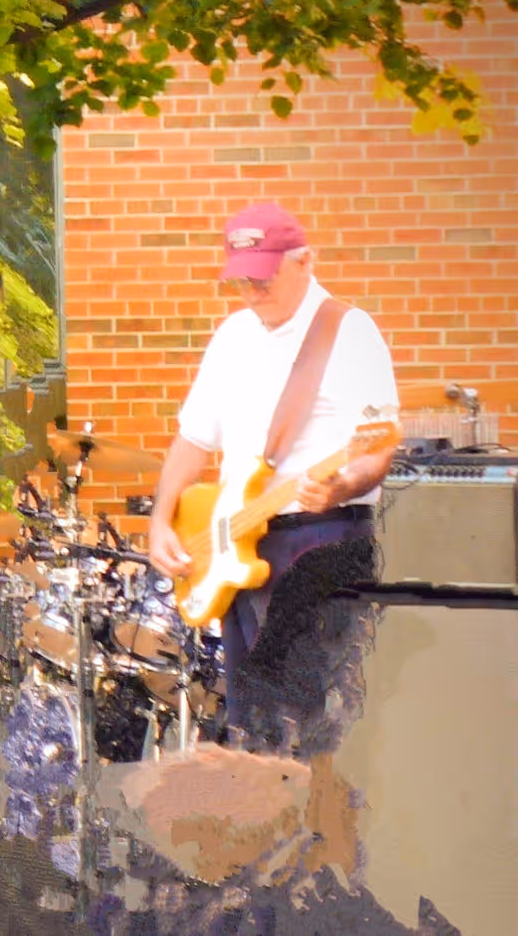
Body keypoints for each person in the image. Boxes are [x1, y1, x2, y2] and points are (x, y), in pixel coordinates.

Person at [145, 204, 398, 756]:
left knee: (310, 732)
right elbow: (193, 438)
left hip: (321, 542)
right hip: (238, 547)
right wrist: (162, 518)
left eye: (262, 277)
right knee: (251, 725)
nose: (251, 291)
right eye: (240, 279)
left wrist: (340, 484)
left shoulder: (347, 332)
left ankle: (322, 838)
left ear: (305, 261)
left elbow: (377, 448)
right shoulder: (233, 335)